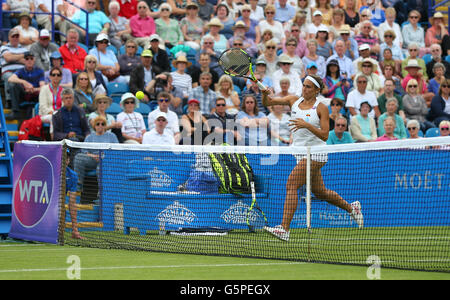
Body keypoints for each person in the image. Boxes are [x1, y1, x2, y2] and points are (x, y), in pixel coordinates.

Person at [261, 74, 363, 241]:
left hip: (316, 153)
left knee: (291, 184)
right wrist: (265, 94)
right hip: (299, 153)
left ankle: (284, 228)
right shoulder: (293, 100)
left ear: (316, 90)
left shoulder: (321, 107)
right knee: (320, 192)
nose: (304, 89)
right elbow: (268, 103)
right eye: (304, 85)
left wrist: (306, 124)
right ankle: (352, 208)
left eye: (308, 86)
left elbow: (324, 135)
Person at [73, 115, 119, 198]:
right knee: (79, 157)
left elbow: (117, 150)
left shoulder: (112, 136)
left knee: (100, 167)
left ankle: (101, 193)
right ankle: (78, 188)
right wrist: (93, 156)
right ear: (94, 126)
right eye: (98, 124)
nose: (100, 126)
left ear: (105, 126)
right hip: (92, 159)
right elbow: (84, 151)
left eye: (103, 124)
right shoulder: (89, 137)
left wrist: (104, 156)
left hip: (106, 159)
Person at [8, 51, 45, 120]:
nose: (29, 61)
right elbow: (10, 78)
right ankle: (15, 111)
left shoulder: (39, 71)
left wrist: (33, 89)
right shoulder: (21, 70)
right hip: (24, 93)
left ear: (34, 60)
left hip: (35, 94)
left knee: (44, 89)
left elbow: (42, 86)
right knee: (12, 85)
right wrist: (24, 82)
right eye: (27, 59)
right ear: (24, 61)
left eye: (31, 58)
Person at [0, 28, 28, 113]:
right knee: (11, 78)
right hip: (8, 72)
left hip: (21, 72)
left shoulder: (25, 48)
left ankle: (22, 101)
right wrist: (22, 56)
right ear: (9, 37)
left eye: (17, 36)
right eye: (13, 36)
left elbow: (27, 62)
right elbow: (8, 58)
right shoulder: (3, 47)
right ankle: (9, 101)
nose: (15, 38)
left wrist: (13, 57)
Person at [65, 149, 84, 240]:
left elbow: (72, 203)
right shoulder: (49, 171)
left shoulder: (72, 175)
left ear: (68, 161)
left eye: (66, 158)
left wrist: (75, 229)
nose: (63, 160)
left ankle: (74, 233)